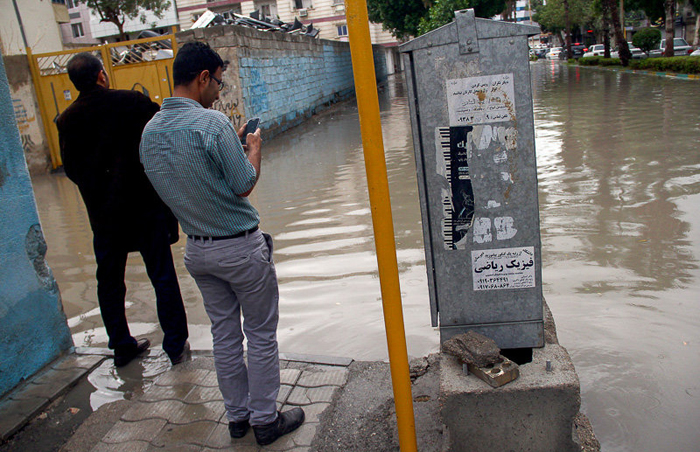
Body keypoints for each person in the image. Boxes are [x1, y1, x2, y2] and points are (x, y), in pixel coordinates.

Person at [139, 42, 304, 446]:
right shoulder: (212, 125)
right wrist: (253, 150)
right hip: (240, 249)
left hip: (198, 251)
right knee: (261, 334)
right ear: (202, 78)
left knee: (225, 335)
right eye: (218, 80)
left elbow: (179, 182)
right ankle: (265, 420)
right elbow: (243, 183)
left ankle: (237, 418)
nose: (220, 88)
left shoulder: (149, 131)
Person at [57, 53, 189, 367]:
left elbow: (72, 169)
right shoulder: (133, 102)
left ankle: (121, 346)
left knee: (110, 281)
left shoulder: (66, 120)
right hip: (145, 208)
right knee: (162, 275)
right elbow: (161, 138)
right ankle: (174, 345)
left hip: (104, 216)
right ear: (102, 75)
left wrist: (98, 188)